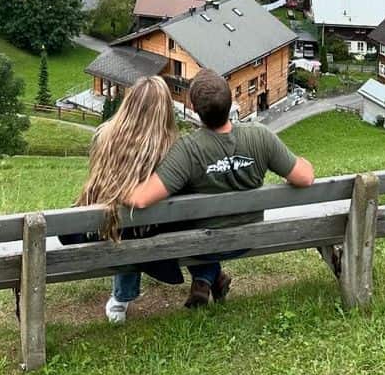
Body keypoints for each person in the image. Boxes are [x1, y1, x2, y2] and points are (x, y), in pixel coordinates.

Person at [124, 67, 315, 309]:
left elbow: (141, 199)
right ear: (231, 102)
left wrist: (112, 190)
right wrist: (305, 162)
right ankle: (205, 279)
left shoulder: (187, 150)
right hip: (249, 237)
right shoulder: (260, 136)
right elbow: (305, 177)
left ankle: (205, 278)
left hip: (204, 246)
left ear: (193, 108)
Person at [73, 75, 185, 324]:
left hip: (110, 229)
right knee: (137, 224)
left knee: (123, 221)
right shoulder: (173, 148)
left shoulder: (105, 137)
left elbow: (97, 185)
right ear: (164, 110)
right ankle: (123, 296)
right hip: (153, 230)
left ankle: (121, 300)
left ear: (129, 102)